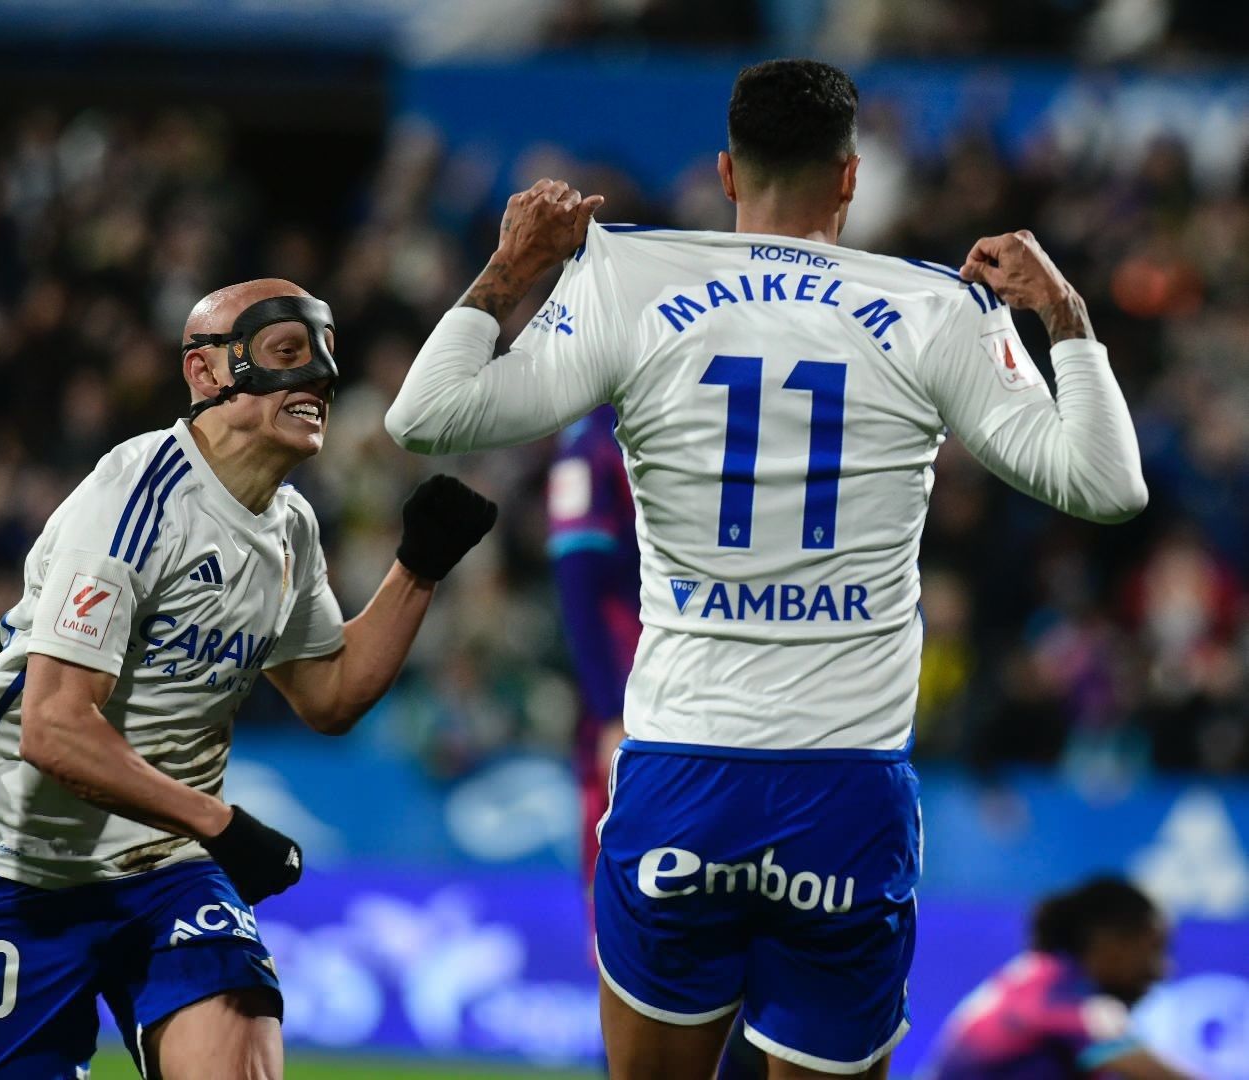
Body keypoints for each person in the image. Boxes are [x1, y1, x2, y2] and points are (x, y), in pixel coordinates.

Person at [384, 59, 1147, 1080]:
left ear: (725, 173)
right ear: (850, 178)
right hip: (847, 786)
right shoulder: (933, 308)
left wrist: (514, 266)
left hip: (682, 772)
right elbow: (1108, 484)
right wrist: (1063, 313)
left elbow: (423, 417)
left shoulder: (632, 279)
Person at [0, 278, 497, 1080]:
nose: (318, 375)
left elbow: (329, 696)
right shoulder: (137, 495)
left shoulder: (290, 525)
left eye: (325, 356)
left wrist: (418, 569)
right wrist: (219, 824)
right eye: (288, 352)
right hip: (23, 866)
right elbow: (53, 728)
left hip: (168, 868)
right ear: (208, 372)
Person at [920, 877, 1194, 1080]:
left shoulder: (1040, 973)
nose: (1163, 970)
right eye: (1154, 949)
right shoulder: (1068, 997)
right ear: (1113, 943)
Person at [547, 403, 641, 892]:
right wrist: (610, 712)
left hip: (672, 683)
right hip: (631, 690)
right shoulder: (594, 448)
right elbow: (578, 583)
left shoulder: (604, 439)